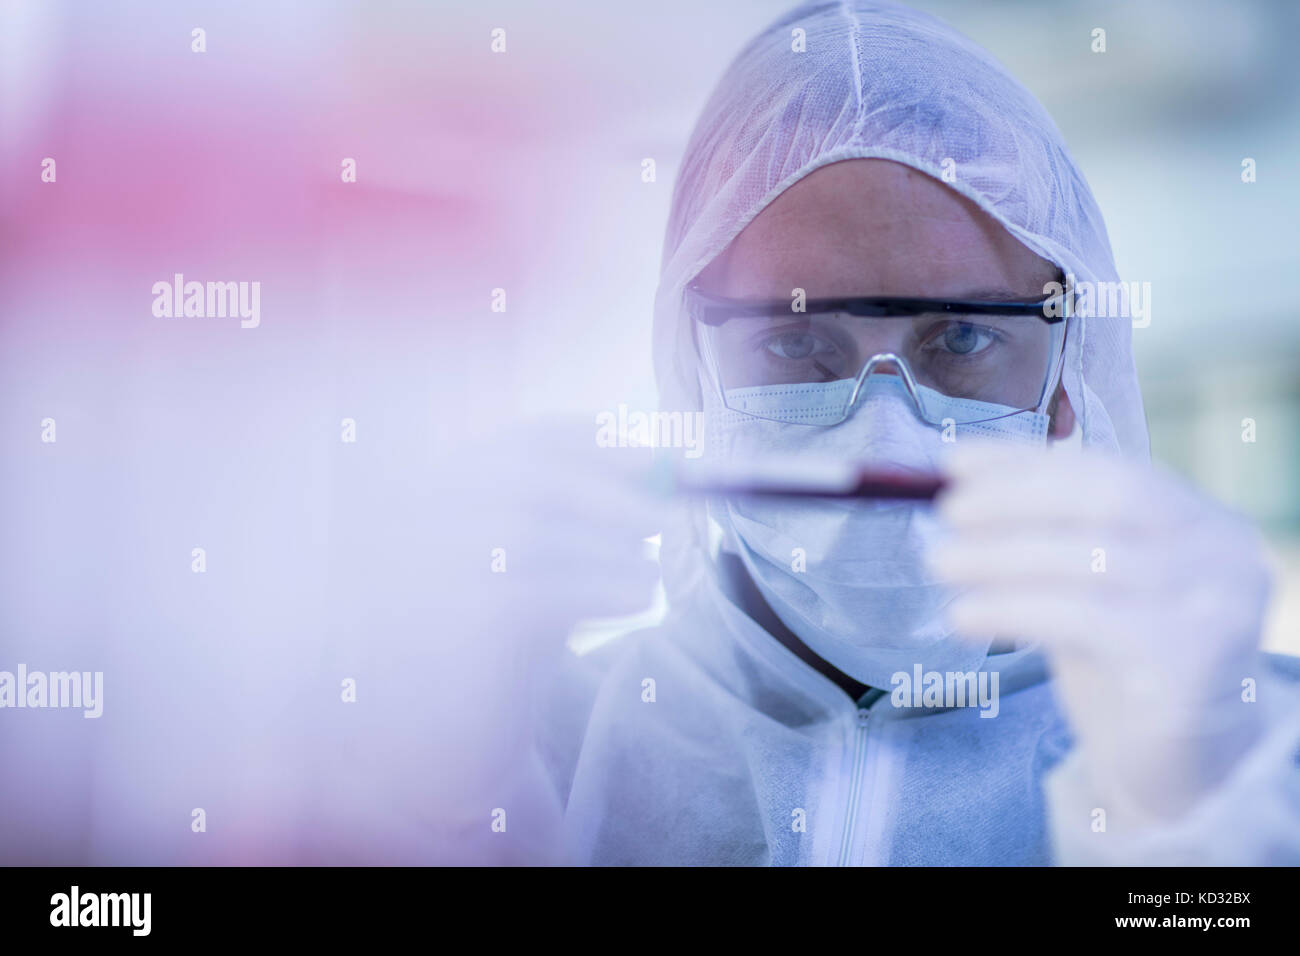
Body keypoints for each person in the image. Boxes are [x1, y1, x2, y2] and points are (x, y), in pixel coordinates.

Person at [451, 0, 1300, 866]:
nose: (884, 443)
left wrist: (1195, 823)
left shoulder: (1257, 753)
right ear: (694, 382)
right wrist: (421, 787)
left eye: (962, 338)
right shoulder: (525, 746)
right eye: (795, 340)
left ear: (1065, 390)